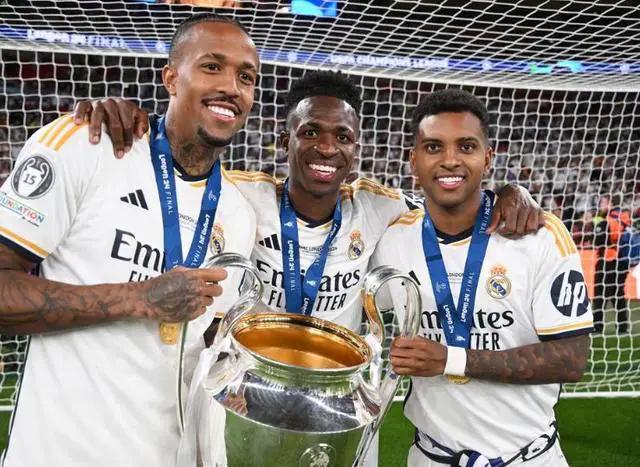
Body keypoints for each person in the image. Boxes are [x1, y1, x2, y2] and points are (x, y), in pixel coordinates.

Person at [75, 71, 544, 467]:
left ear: (355, 148)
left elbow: (452, 201)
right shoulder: (242, 196)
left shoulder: (380, 209)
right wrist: (122, 119)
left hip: (336, 408)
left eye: (342, 137)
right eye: (311, 132)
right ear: (285, 140)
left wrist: (507, 192)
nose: (327, 148)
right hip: (247, 398)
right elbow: (178, 172)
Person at [0, 13, 258, 467]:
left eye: (246, 77)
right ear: (171, 78)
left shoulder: (238, 213)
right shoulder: (86, 145)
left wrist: (235, 374)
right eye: (212, 66)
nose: (231, 87)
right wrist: (140, 298)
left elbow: (204, 339)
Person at [371, 89, 593, 467]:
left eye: (467, 146)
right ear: (413, 160)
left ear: (488, 157)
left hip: (529, 458)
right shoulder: (392, 239)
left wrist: (451, 359)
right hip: (430, 457)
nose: (450, 160)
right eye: (434, 147)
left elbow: (571, 359)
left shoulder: (538, 235)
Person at [592, 194, 631, 333]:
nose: (600, 205)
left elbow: (598, 242)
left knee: (600, 295)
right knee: (617, 294)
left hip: (607, 261)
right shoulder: (625, 219)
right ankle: (622, 326)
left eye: (602, 203)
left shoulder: (607, 222)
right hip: (623, 261)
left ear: (611, 204)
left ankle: (597, 326)